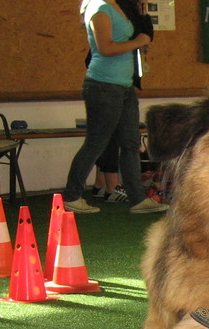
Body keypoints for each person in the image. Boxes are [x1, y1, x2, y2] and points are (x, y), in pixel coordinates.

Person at [63, 0, 167, 214]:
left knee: (130, 144)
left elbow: (138, 34)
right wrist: (137, 42)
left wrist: (142, 23)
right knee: (96, 143)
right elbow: (105, 48)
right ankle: (71, 196)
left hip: (124, 86)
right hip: (103, 86)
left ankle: (137, 199)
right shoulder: (99, 8)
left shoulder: (119, 4)